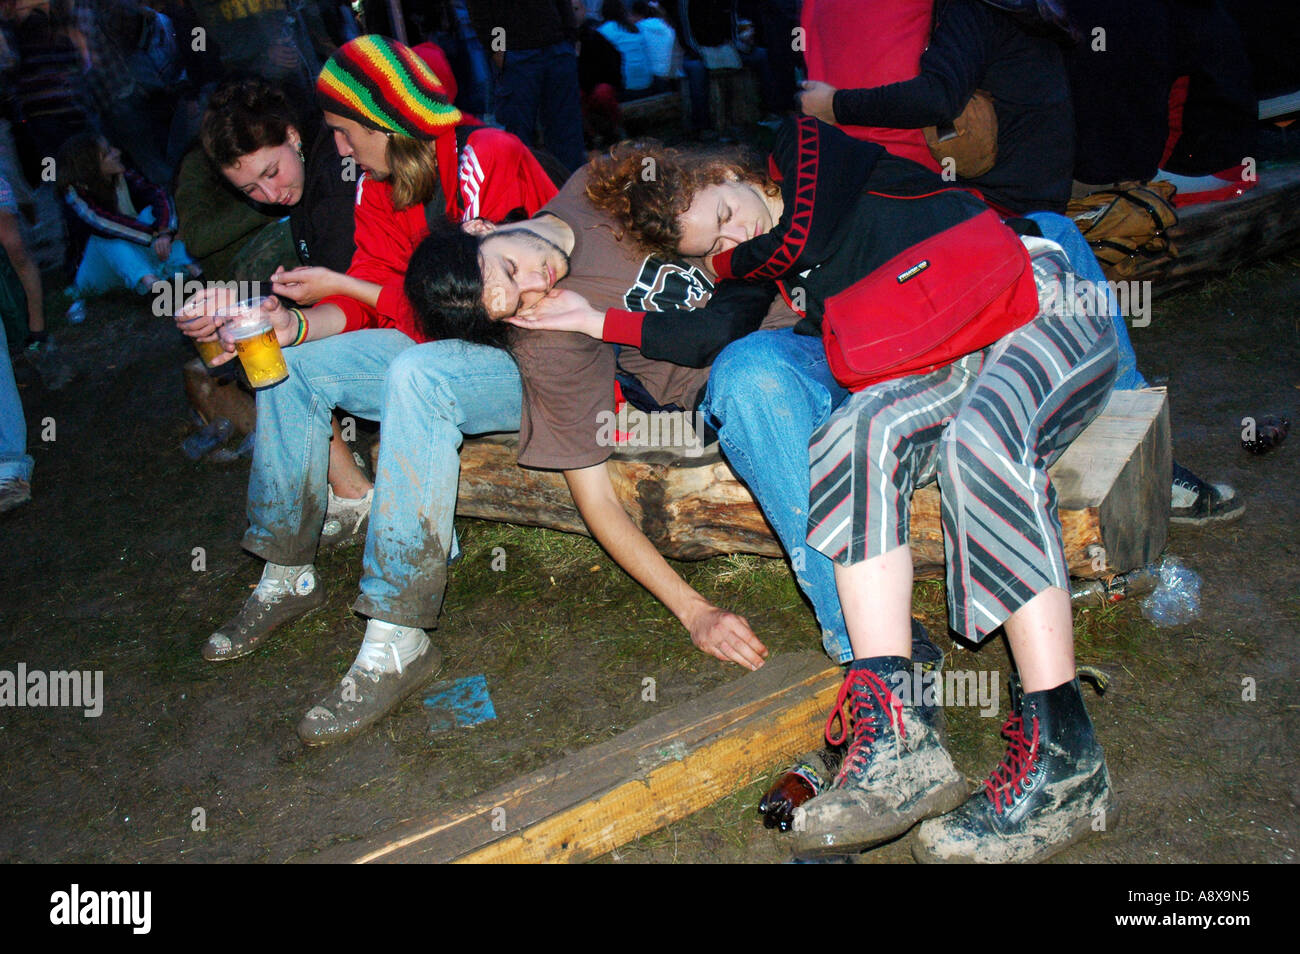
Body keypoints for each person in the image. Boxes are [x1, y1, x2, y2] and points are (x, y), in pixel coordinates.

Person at [563, 115, 1122, 862]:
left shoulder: (816, 157)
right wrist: (597, 318)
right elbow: (702, 338)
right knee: (854, 437)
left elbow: (799, 227)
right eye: (716, 247)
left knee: (981, 447)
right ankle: (899, 741)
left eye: (727, 216)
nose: (735, 244)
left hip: (1030, 296)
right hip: (942, 352)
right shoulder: (756, 264)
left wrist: (739, 260)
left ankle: (1067, 765)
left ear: (738, 172)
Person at [175, 36, 558, 746]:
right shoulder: (378, 187)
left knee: (420, 372)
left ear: (385, 117)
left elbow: (487, 309)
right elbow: (373, 308)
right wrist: (282, 324)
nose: (339, 147)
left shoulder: (484, 156)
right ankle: (285, 568)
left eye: (346, 131)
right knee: (292, 364)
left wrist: (343, 286)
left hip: (537, 364)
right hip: (445, 356)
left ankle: (398, 635)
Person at [58, 132, 201, 309]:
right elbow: (106, 224)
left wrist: (164, 231)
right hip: (98, 271)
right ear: (91, 165)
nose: (117, 152)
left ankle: (194, 271)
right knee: (105, 239)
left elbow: (159, 196)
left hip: (134, 256)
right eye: (108, 152)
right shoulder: (74, 194)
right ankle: (156, 289)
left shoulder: (123, 176)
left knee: (151, 214)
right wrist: (153, 236)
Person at [466, 0, 589, 171]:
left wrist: (570, 34)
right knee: (519, 134)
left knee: (566, 132)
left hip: (553, 46)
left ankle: (570, 187)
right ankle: (527, 192)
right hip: (520, 51)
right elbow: (481, 8)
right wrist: (498, 49)